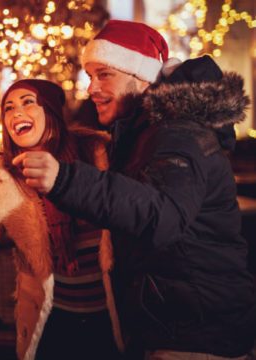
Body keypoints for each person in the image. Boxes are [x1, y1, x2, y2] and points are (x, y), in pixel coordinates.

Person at [15, 20, 256, 358]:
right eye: (90, 76)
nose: (91, 88)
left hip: (194, 335)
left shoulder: (178, 131)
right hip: (174, 324)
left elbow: (163, 215)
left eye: (104, 75)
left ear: (140, 75)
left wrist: (67, 180)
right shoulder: (144, 130)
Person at [0, 79, 123, 359]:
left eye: (28, 102)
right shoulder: (5, 177)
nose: (16, 113)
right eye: (8, 108)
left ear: (49, 110)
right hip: (53, 322)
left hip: (112, 319)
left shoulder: (97, 153)